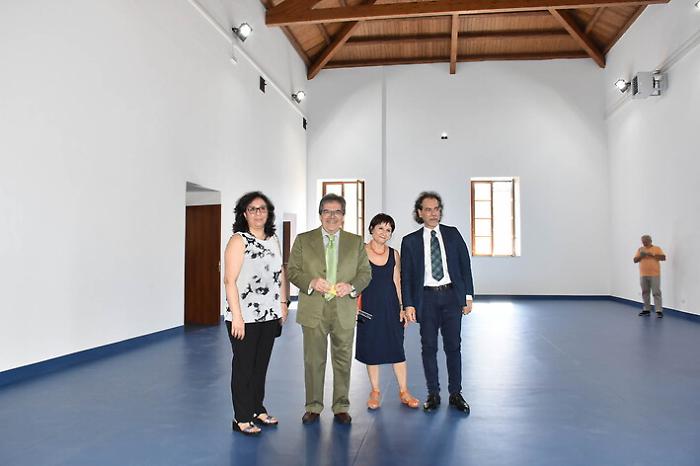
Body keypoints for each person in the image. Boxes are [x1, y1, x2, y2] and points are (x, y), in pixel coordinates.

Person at [287, 194, 372, 425]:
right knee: (313, 360)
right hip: (313, 308)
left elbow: (365, 273)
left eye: (337, 212)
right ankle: (313, 406)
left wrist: (352, 287)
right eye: (327, 211)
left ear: (343, 216)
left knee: (343, 360)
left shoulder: (356, 242)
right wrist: (311, 282)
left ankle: (341, 406)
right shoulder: (303, 240)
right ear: (320, 214)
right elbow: (292, 270)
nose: (332, 216)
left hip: (344, 308)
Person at [400, 191, 474, 414]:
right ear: (420, 213)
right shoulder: (410, 241)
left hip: (452, 296)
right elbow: (406, 276)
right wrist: (408, 304)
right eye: (428, 209)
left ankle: (456, 393)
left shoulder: (452, 234)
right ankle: (433, 394)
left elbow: (465, 265)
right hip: (427, 299)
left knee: (454, 346)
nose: (433, 213)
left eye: (436, 209)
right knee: (429, 347)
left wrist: (468, 296)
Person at [224, 191, 288, 436]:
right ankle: (241, 417)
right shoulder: (238, 240)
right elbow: (229, 280)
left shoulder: (273, 239)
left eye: (262, 208)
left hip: (269, 314)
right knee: (244, 367)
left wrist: (283, 303)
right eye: (252, 209)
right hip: (244, 317)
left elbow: (280, 272)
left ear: (268, 213)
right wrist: (237, 316)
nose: (258, 213)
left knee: (260, 366)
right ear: (244, 214)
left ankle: (256, 409)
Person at [355, 213, 420, 410]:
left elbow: (397, 281)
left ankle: (404, 391)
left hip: (391, 307)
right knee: (371, 349)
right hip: (368, 307)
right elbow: (353, 280)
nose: (384, 233)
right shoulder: (360, 252)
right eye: (381, 228)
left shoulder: (394, 254)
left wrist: (402, 307)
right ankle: (375, 391)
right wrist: (353, 306)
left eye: (389, 230)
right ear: (371, 229)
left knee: (397, 349)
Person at [633, 235, 666, 317]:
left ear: (650, 241)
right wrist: (641, 256)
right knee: (645, 292)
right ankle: (646, 309)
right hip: (643, 274)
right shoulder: (640, 249)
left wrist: (652, 255)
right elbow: (635, 260)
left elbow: (663, 257)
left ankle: (658, 311)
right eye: (643, 242)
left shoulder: (657, 248)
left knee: (656, 292)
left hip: (654, 274)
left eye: (645, 241)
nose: (644, 243)